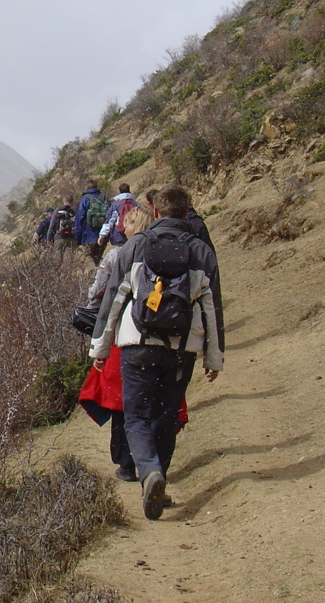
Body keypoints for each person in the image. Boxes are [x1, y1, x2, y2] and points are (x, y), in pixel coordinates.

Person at [90, 185, 224, 520]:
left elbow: (114, 301)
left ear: (157, 211)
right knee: (166, 414)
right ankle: (158, 473)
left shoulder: (136, 245)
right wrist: (214, 356)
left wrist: (101, 347)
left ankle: (149, 472)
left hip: (137, 344)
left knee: (136, 415)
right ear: (186, 211)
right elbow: (212, 308)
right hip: (182, 349)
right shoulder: (202, 252)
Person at [78, 205, 164, 483]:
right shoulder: (166, 252)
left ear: (132, 225)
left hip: (123, 336)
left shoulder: (120, 254)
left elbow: (106, 292)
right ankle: (152, 462)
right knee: (152, 399)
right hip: (161, 336)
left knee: (121, 401)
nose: (121, 228)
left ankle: (126, 462)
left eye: (125, 223)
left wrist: (98, 331)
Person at [75, 180, 107, 266]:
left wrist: (78, 239)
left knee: (88, 259)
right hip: (103, 236)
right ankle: (97, 277)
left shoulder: (84, 200)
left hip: (88, 236)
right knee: (97, 260)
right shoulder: (104, 198)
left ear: (86, 188)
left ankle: (92, 277)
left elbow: (79, 220)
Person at [98, 183, 137, 248]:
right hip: (133, 236)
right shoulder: (136, 205)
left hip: (119, 236)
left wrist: (102, 236)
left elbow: (109, 222)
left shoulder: (115, 205)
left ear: (119, 191)